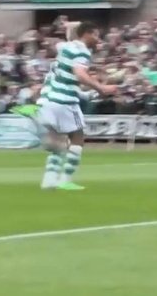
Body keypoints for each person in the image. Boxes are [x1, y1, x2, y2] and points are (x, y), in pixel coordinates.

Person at [38, 22, 116, 191]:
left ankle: (49, 180)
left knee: (59, 142)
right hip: (66, 101)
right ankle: (65, 180)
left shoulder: (65, 47)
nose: (98, 39)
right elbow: (80, 74)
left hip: (50, 99)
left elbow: (70, 36)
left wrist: (70, 25)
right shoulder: (83, 52)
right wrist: (101, 87)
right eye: (95, 35)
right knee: (77, 139)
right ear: (86, 34)